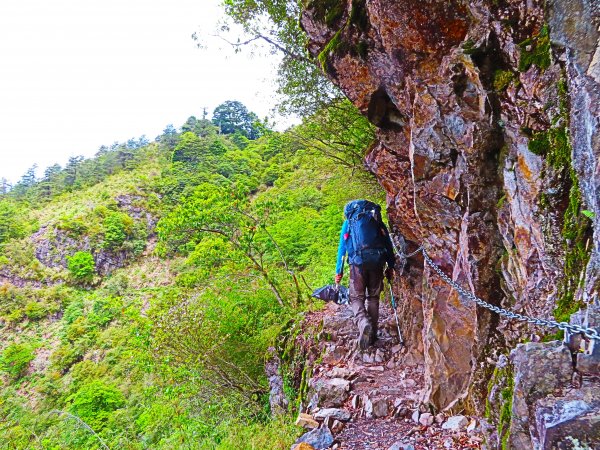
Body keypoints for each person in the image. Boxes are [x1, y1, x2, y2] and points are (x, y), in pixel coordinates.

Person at [335, 200, 396, 350]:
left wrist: (339, 271)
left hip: (357, 265)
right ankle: (373, 335)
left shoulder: (349, 224)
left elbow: (342, 250)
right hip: (377, 262)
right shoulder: (376, 221)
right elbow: (388, 244)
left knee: (356, 297)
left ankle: (363, 323)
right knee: (373, 298)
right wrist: (391, 265)